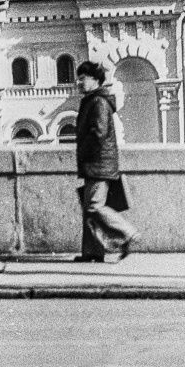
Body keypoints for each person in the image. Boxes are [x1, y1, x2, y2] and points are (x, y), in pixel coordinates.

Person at [74, 60, 139, 263]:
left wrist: (84, 154)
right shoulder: (93, 100)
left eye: (83, 78)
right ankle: (92, 253)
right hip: (96, 163)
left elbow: (98, 134)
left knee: (94, 207)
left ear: (95, 80)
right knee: (89, 209)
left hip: (98, 163)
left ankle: (127, 233)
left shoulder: (98, 103)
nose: (79, 82)